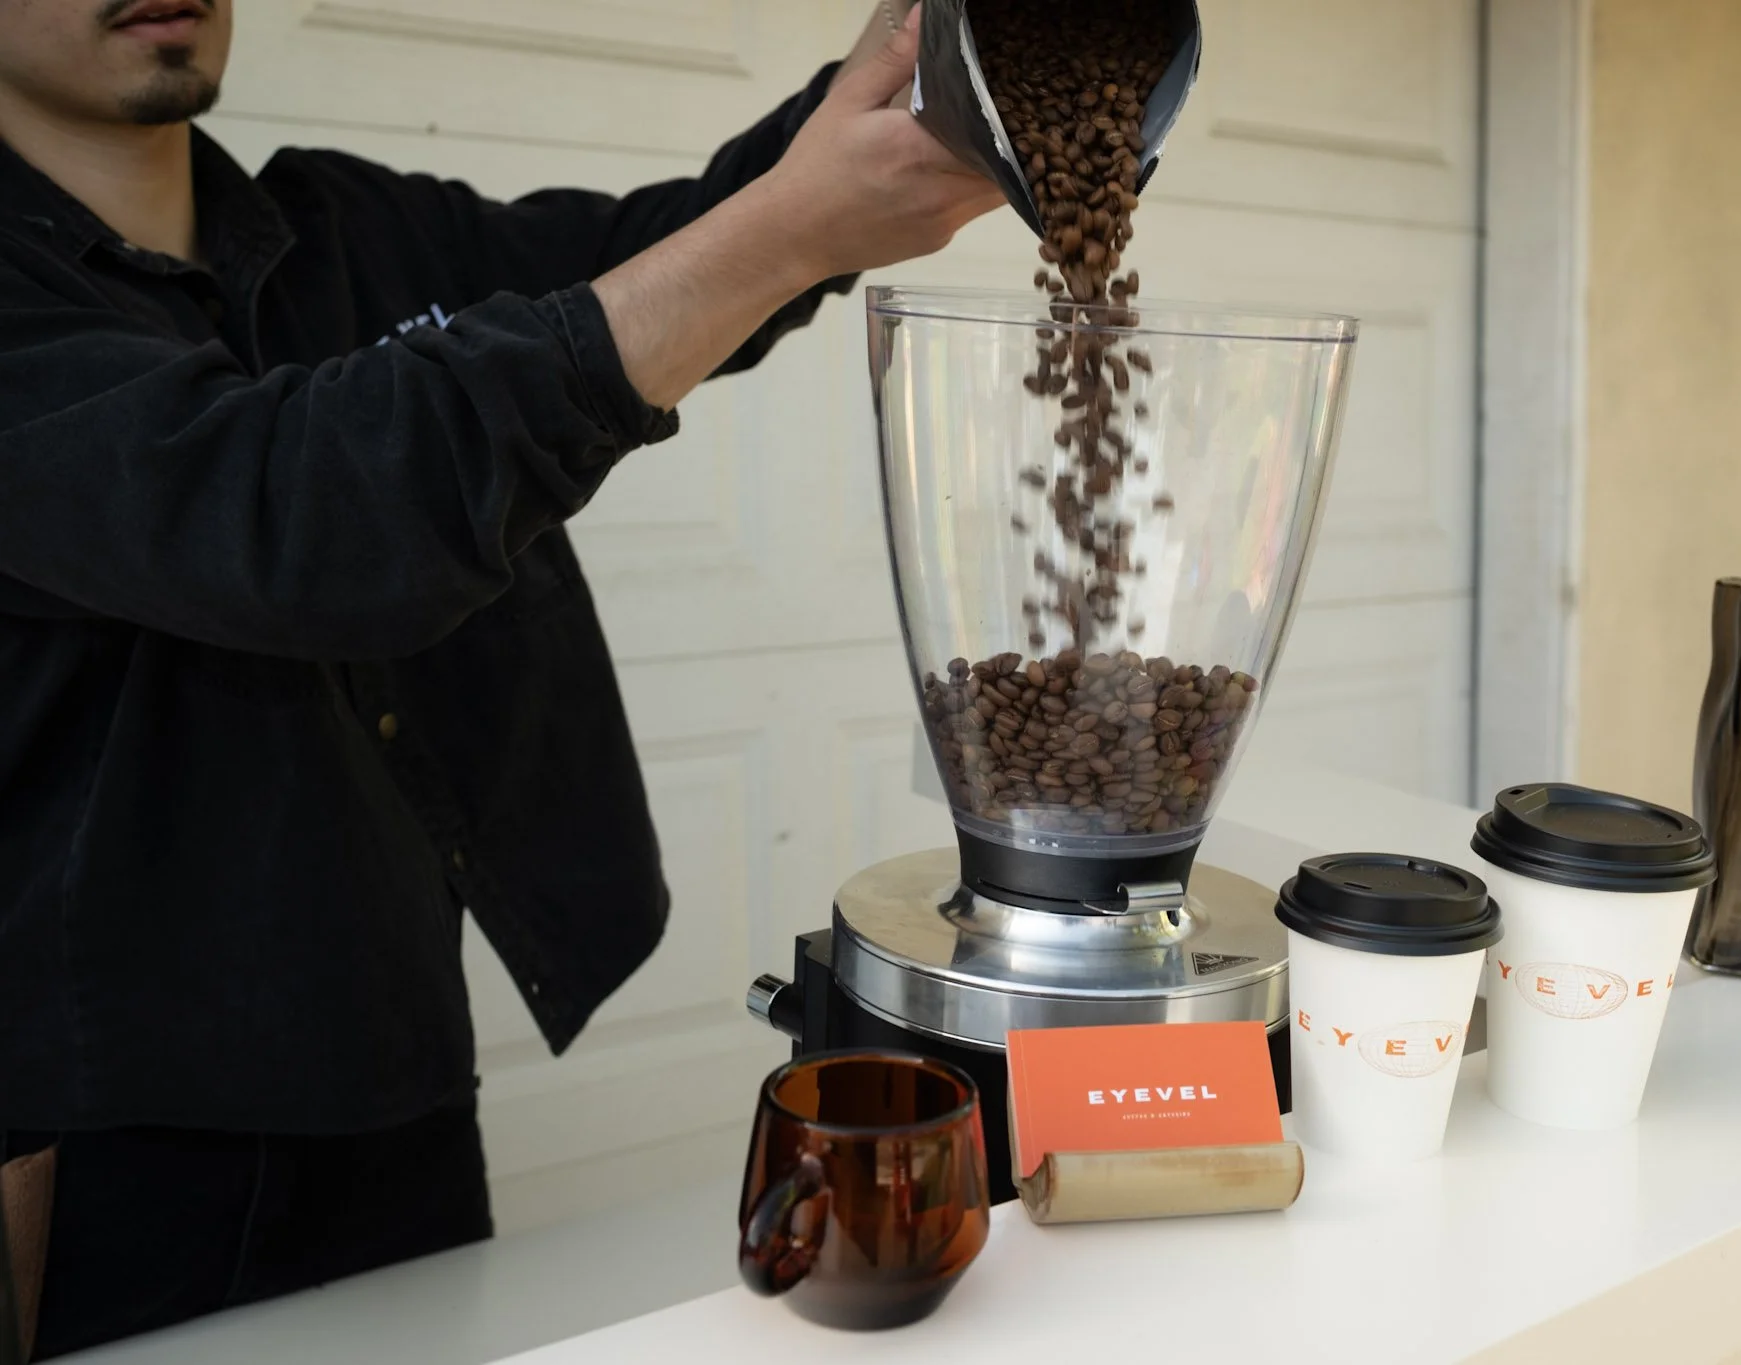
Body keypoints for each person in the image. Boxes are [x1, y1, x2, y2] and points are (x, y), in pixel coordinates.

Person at [0, 0, 1003, 1354]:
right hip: (109, 1131)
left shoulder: (346, 229)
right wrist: (791, 229)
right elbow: (298, 513)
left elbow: (666, 253)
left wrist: (919, 73)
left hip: (397, 1053)